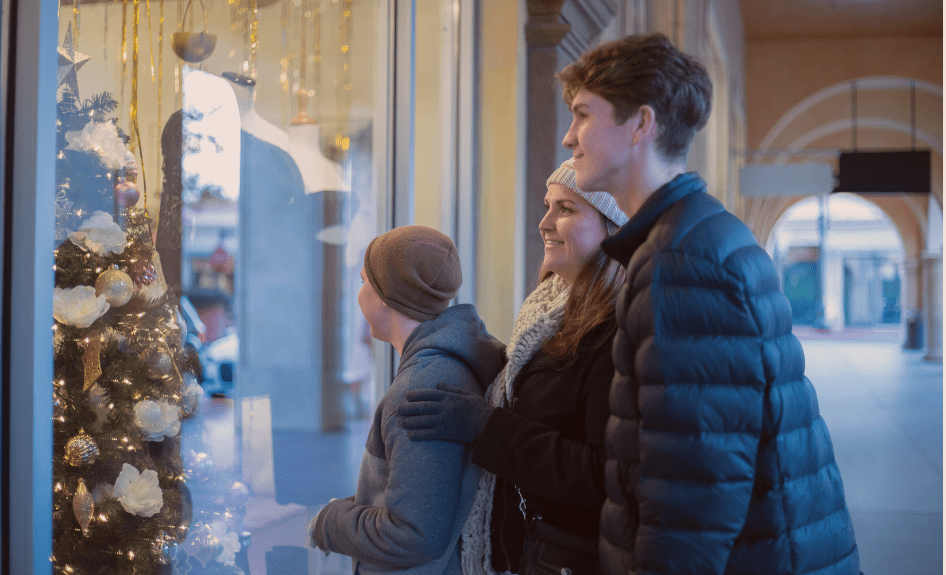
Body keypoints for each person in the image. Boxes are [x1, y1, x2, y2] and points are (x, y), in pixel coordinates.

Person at [557, 33, 861, 575]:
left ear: (641, 124)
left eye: (582, 115)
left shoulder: (681, 263)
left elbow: (694, 489)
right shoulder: (697, 234)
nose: (567, 138)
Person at [397, 159, 628, 574]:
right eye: (547, 205)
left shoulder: (615, 331)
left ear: (612, 230)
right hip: (533, 548)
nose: (544, 222)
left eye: (566, 209)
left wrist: (485, 426)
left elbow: (602, 475)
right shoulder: (549, 313)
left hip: (572, 556)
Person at [307, 225, 505, 574]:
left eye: (364, 280)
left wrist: (329, 522)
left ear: (387, 296)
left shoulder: (421, 386)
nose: (360, 293)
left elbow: (413, 535)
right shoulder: (455, 363)